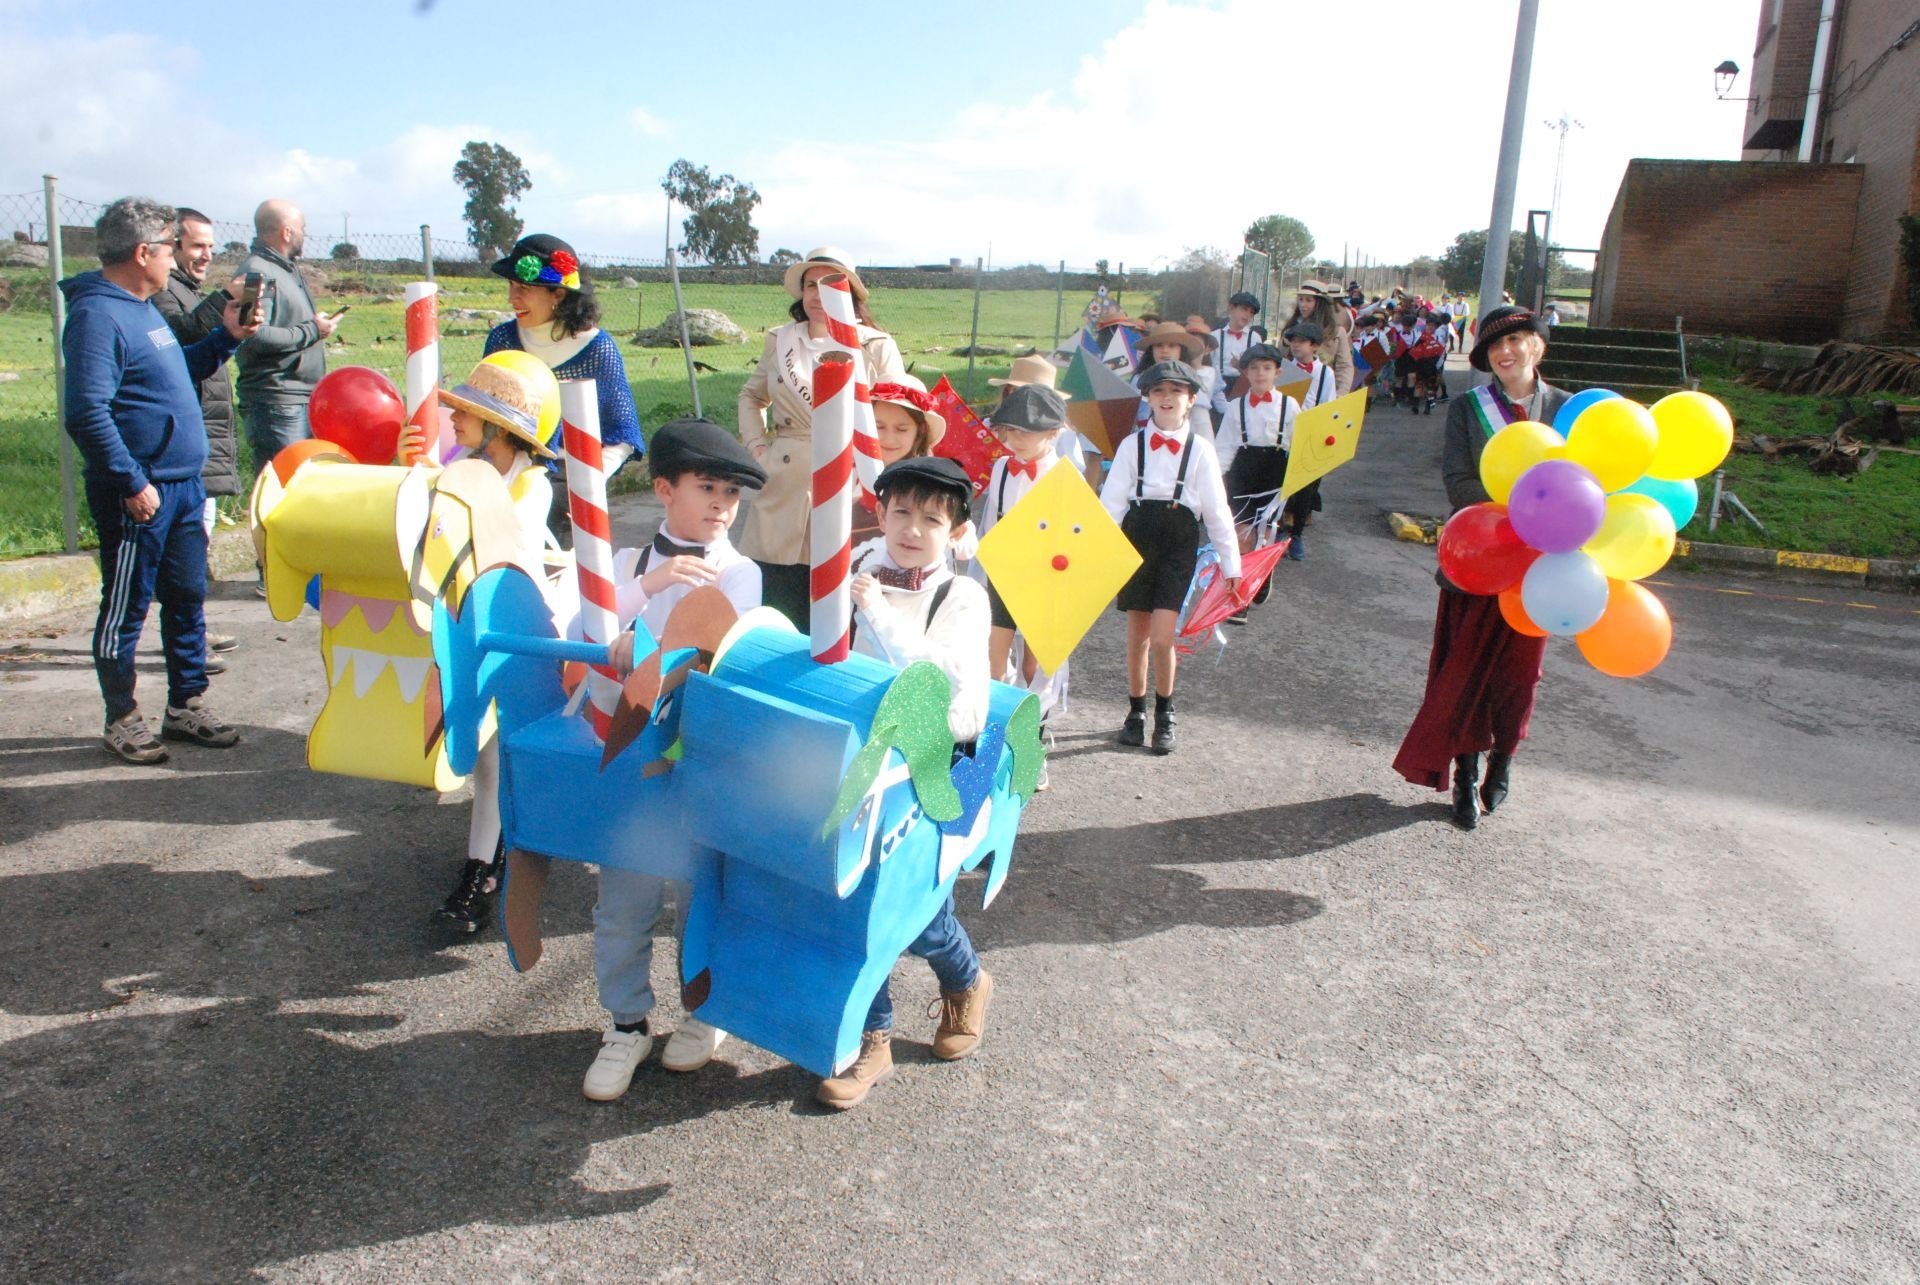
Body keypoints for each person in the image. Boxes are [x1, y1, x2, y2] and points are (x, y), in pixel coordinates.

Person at [587, 418, 769, 1100]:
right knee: (624, 901)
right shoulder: (627, 562)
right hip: (629, 759)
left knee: (701, 897)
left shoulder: (740, 570)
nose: (722, 503)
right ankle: (626, 1022)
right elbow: (591, 629)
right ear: (664, 488)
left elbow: (725, 654)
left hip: (701, 765)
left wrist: (655, 653)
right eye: (707, 487)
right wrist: (649, 586)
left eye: (732, 492)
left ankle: (704, 1011)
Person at [60, 197, 262, 764]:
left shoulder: (143, 307)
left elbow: (179, 372)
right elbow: (86, 412)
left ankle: (185, 706)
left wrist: (227, 338)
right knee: (125, 606)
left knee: (186, 598)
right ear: (144, 252)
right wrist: (129, 480)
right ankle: (122, 717)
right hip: (141, 494)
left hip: (180, 485)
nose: (178, 257)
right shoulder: (98, 315)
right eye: (172, 246)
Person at [821, 455, 993, 1109]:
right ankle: (874, 1037)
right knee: (853, 898)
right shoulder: (861, 567)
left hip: (938, 763)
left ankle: (967, 979)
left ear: (954, 531)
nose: (912, 529)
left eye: (931, 518)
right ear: (881, 511)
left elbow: (941, 686)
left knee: (917, 915)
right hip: (864, 759)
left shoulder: (963, 597)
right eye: (900, 512)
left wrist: (881, 616)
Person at [1393, 306, 1570, 829]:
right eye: (1495, 345)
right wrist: (1517, 517)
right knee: (1464, 669)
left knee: (1519, 675)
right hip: (1477, 559)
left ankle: (1504, 760)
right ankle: (1466, 776)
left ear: (1538, 345)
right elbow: (1458, 480)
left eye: (1516, 339)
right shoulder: (1470, 408)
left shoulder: (1570, 409)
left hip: (1541, 571)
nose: (1505, 351)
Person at [418, 354, 565, 932]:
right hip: (470, 620)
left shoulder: (528, 486)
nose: (454, 419)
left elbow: (494, 546)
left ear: (500, 428)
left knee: (495, 757)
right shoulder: (465, 467)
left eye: (467, 413)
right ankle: (487, 861)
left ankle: (484, 869)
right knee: (484, 757)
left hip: (514, 631)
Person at [737, 247, 907, 626]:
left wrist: (878, 472)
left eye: (830, 285)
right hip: (783, 484)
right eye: (810, 284)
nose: (818, 294)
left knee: (840, 605)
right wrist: (757, 448)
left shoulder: (876, 346)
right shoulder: (779, 340)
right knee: (775, 601)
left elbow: (900, 416)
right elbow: (751, 396)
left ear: (852, 294)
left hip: (849, 483)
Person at [1099, 361, 1240, 754]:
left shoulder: (1201, 451)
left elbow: (1217, 510)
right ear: (1148, 397)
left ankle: (1165, 710)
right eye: (1159, 391)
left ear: (1191, 400)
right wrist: (1096, 554)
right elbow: (1110, 506)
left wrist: (1232, 565)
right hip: (1137, 538)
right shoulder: (1132, 445)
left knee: (1163, 637)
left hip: (1178, 540)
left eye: (1176, 392)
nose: (1167, 399)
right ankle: (1135, 711)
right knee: (1138, 635)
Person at [483, 234, 644, 548]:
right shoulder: (501, 341)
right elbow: (482, 416)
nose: (511, 299)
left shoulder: (598, 349)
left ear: (557, 293)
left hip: (568, 491)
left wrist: (587, 485)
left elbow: (623, 433)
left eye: (523, 289)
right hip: (502, 479)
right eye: (511, 288)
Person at [152, 207, 243, 670]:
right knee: (183, 555)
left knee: (198, 542)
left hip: (204, 430)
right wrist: (226, 299)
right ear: (171, 247)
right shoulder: (164, 294)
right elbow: (183, 335)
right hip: (179, 437)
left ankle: (193, 630)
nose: (206, 255)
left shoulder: (188, 291)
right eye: (195, 247)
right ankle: (185, 642)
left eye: (211, 247)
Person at [235, 200, 338, 482]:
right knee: (285, 490)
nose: (306, 234)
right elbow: (249, 333)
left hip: (299, 399)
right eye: (303, 228)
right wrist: (311, 331)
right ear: (286, 232)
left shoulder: (288, 270)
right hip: (276, 403)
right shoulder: (257, 272)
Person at [852, 375, 946, 544]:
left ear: (921, 430)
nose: (888, 438)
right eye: (879, 427)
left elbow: (965, 543)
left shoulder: (934, 480)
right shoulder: (849, 473)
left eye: (901, 429)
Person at [989, 353, 1096, 489]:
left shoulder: (1063, 435)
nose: (1023, 399)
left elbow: (1074, 481)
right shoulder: (992, 425)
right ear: (1007, 390)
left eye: (1033, 395)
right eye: (1016, 390)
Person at [1283, 282, 1354, 395]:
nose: (1303, 304)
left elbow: (1344, 366)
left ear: (1320, 303)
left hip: (1325, 392)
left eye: (1308, 300)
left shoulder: (1336, 332)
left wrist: (1340, 394)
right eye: (1300, 299)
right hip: (1294, 392)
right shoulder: (1290, 328)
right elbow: (1281, 361)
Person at [1207, 291, 1266, 422]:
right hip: (1219, 386)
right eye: (1244, 309)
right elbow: (1208, 364)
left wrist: (1242, 366)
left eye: (1251, 312)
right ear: (1231, 308)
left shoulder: (1255, 338)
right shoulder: (1214, 336)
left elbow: (1259, 366)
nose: (1247, 315)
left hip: (1244, 385)